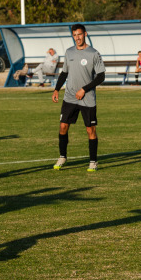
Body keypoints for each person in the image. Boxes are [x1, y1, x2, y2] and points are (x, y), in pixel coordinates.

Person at [52, 24, 105, 172]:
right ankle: (62, 156)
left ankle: (93, 161)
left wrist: (84, 89)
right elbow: (64, 73)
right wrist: (56, 89)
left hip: (87, 98)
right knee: (63, 126)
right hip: (69, 96)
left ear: (85, 34)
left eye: (80, 34)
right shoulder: (69, 52)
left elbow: (101, 76)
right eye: (75, 35)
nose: (77, 38)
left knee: (90, 130)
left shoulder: (94, 53)